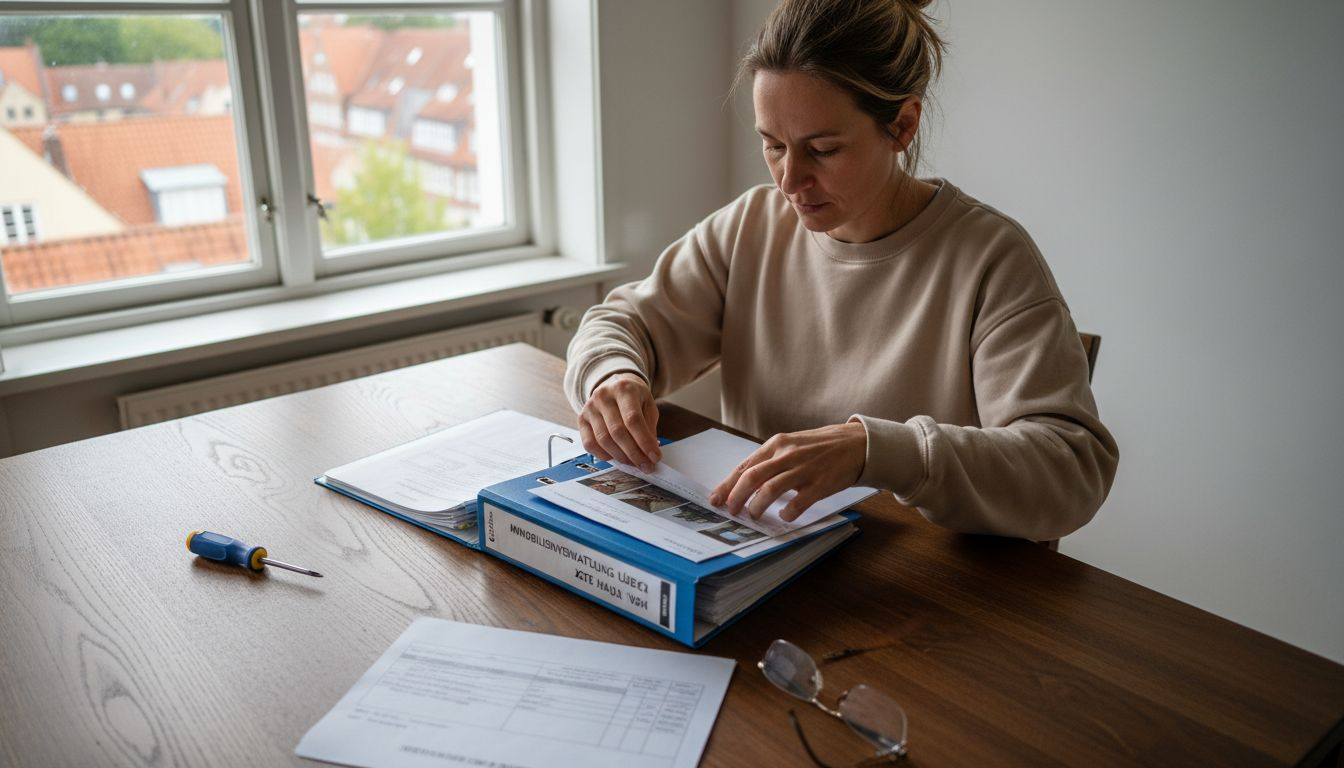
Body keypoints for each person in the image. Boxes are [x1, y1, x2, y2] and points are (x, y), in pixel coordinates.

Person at [563, 0, 1119, 541]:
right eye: (773, 145)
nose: (789, 180)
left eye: (822, 149)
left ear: (902, 125)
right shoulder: (751, 226)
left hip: (923, 592)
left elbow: (1069, 470)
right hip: (757, 551)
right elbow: (620, 323)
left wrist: (875, 452)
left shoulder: (991, 258)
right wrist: (613, 375)